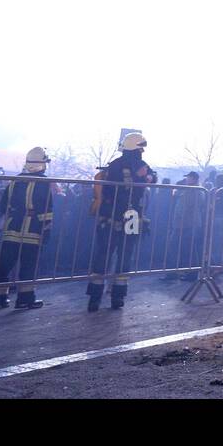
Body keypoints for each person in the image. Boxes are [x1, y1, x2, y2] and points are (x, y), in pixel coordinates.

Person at [88, 132, 156, 312]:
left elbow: (152, 176)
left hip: (110, 217)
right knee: (124, 256)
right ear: (136, 148)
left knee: (104, 255)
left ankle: (96, 298)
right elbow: (150, 178)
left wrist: (147, 177)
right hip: (129, 217)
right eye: (141, 147)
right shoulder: (137, 166)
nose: (142, 151)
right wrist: (145, 177)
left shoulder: (115, 165)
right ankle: (117, 298)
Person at [0, 147, 56, 310]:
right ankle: (25, 299)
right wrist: (46, 229)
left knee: (4, 264)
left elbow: (4, 204)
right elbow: (47, 208)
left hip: (12, 227)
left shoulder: (15, 180)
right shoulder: (44, 182)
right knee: (29, 265)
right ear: (42, 164)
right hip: (33, 229)